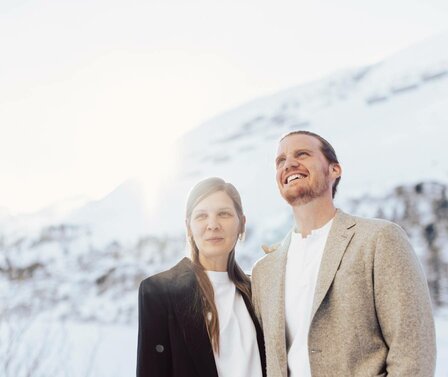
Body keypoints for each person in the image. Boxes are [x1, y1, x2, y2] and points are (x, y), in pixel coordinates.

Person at [251, 130, 436, 377]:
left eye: (302, 154)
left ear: (334, 170)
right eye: (280, 161)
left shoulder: (379, 239)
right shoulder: (264, 271)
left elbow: (413, 353)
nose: (289, 164)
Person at [137, 177, 266, 377]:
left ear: (242, 223)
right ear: (188, 227)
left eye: (224, 214)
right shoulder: (158, 292)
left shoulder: (258, 290)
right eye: (201, 216)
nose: (213, 225)